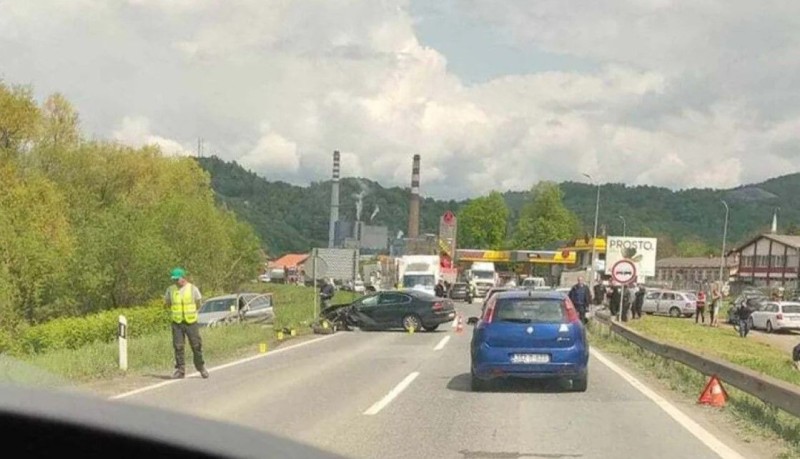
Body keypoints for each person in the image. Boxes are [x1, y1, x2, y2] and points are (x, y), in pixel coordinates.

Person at [165, 267, 208, 380]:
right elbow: (168, 303)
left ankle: (201, 367)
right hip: (177, 322)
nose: (175, 281)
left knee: (196, 345)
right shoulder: (170, 290)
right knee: (178, 346)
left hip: (191, 322)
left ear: (183, 277)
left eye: (177, 279)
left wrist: (192, 313)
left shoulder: (192, 289)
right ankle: (180, 370)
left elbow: (198, 303)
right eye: (174, 279)